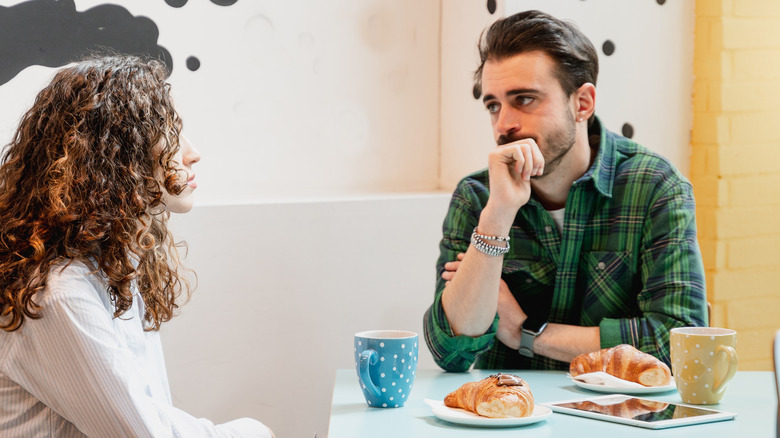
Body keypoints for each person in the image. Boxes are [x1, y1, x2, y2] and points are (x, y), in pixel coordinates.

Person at [0, 55, 274, 437]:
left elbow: (151, 415)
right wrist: (252, 432)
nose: (192, 153)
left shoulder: (111, 269)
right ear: (116, 157)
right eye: (171, 134)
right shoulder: (59, 293)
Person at [423, 10, 707, 373]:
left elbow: (680, 342)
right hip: (507, 420)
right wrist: (497, 216)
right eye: (494, 105)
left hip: (620, 422)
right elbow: (450, 351)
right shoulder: (478, 196)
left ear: (582, 103)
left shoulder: (654, 187)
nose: (503, 124)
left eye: (524, 99)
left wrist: (526, 333)